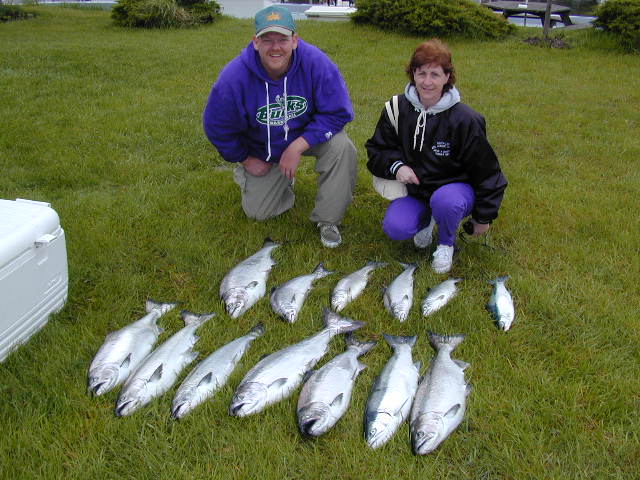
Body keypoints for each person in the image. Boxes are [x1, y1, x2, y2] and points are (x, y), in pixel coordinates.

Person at [203, 5, 357, 248]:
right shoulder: (234, 77)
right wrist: (245, 159)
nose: (275, 47)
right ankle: (280, 180)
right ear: (255, 42)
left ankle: (328, 220)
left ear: (295, 40)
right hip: (263, 146)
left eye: (283, 39)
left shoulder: (317, 63)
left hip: (307, 134)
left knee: (342, 146)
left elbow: (338, 112)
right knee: (259, 213)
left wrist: (297, 147)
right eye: (267, 40)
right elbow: (216, 125)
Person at [365, 39, 507, 273]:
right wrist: (397, 166)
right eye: (421, 73)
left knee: (446, 202)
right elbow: (376, 150)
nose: (427, 82)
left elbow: (488, 172)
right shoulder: (396, 108)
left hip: (454, 191)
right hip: (417, 191)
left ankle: (445, 244)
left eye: (435, 74)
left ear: (447, 77)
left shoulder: (466, 120)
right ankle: (427, 220)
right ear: (413, 74)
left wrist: (483, 217)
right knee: (396, 227)